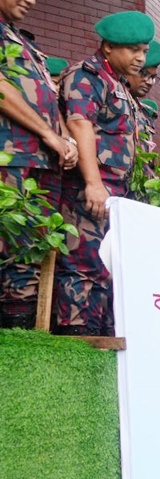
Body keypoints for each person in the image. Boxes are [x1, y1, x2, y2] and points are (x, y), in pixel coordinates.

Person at [56, 10, 153, 336]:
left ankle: (95, 341)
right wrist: (93, 183)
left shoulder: (119, 84)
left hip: (117, 195)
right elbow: (80, 124)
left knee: (103, 270)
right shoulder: (88, 76)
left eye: (144, 50)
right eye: (133, 49)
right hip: (89, 191)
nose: (141, 58)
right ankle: (73, 344)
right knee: (81, 268)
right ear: (109, 47)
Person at [0, 0, 79, 329]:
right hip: (10, 157)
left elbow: (47, 94)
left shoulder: (25, 41)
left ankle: (21, 338)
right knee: (7, 247)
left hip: (41, 162)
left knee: (30, 252)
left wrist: (66, 138)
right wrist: (48, 133)